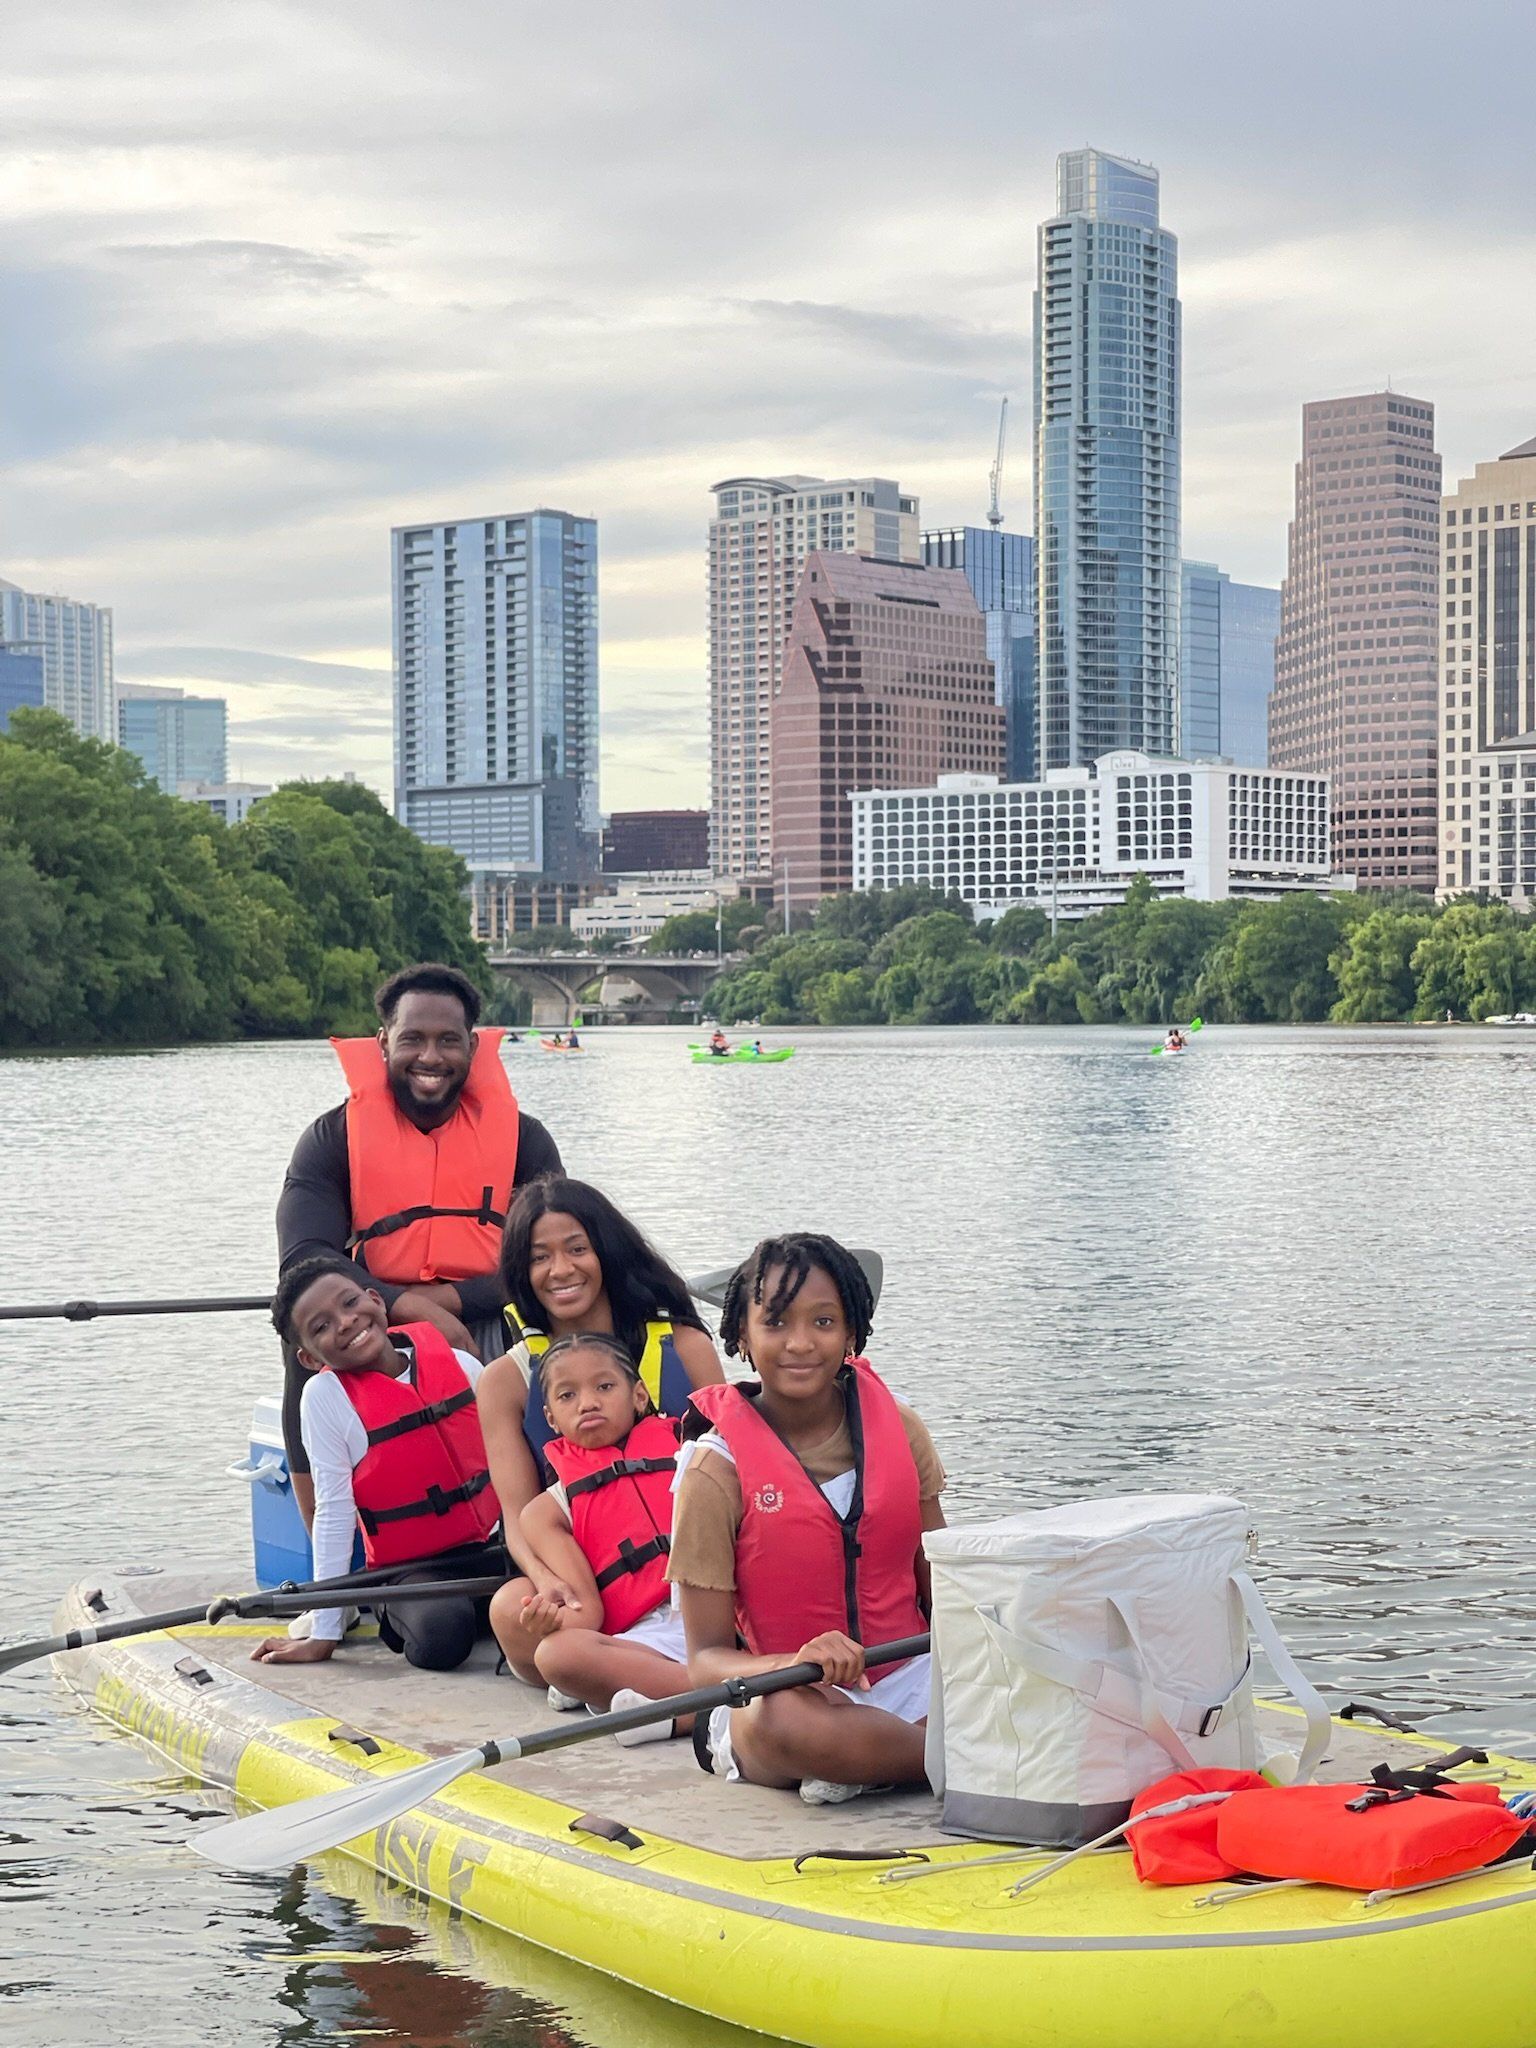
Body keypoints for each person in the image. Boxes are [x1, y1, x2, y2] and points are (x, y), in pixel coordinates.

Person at [275, 962, 562, 1530]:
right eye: (412, 1039)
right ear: (383, 1042)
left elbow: (553, 1256)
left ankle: (537, 1525)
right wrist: (407, 1306)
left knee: (564, 1314)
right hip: (375, 1309)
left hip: (489, 1309)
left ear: (473, 1047)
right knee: (303, 1341)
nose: (430, 1057)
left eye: (448, 1041)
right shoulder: (332, 1140)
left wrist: (446, 1306)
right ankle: (331, 1575)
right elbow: (304, 1258)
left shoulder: (524, 1139)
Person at [669, 1232, 946, 1804]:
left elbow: (945, 1587)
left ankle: (878, 1760)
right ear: (742, 1335)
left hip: (912, 1676)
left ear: (851, 1333)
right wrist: (794, 1662)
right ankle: (949, 1758)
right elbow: (704, 1662)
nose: (800, 1343)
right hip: (792, 1694)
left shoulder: (900, 1428)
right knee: (778, 1722)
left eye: (823, 1323)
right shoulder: (712, 1472)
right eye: (775, 1323)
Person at [478, 1175, 723, 1681]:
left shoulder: (686, 1347)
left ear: (605, 1253)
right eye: (539, 1257)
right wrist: (552, 1587)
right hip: (583, 1584)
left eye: (576, 1249)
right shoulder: (505, 1380)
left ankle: (646, 1683)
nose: (560, 1270)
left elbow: (731, 1474)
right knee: (509, 1608)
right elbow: (518, 1516)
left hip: (693, 1574)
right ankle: (693, 1687)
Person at [252, 1253, 504, 1671]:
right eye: (321, 1326)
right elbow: (332, 1512)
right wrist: (325, 1631)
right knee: (443, 1637)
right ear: (310, 1359)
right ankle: (418, 1612)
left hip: (493, 1548)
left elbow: (512, 1464)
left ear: (375, 1299)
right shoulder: (324, 1398)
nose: (345, 1322)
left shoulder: (459, 1364)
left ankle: (494, 1610)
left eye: (350, 1303)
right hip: (413, 1571)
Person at [510, 1332, 692, 1744]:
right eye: (567, 1396)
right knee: (557, 1655)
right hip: (647, 1638)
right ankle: (723, 1701)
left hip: (718, 1615)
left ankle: (678, 1710)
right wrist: (548, 1622)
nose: (587, 1403)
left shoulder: (691, 1450)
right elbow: (585, 1613)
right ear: (552, 1419)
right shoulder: (544, 1512)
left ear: (639, 1396)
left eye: (605, 1387)